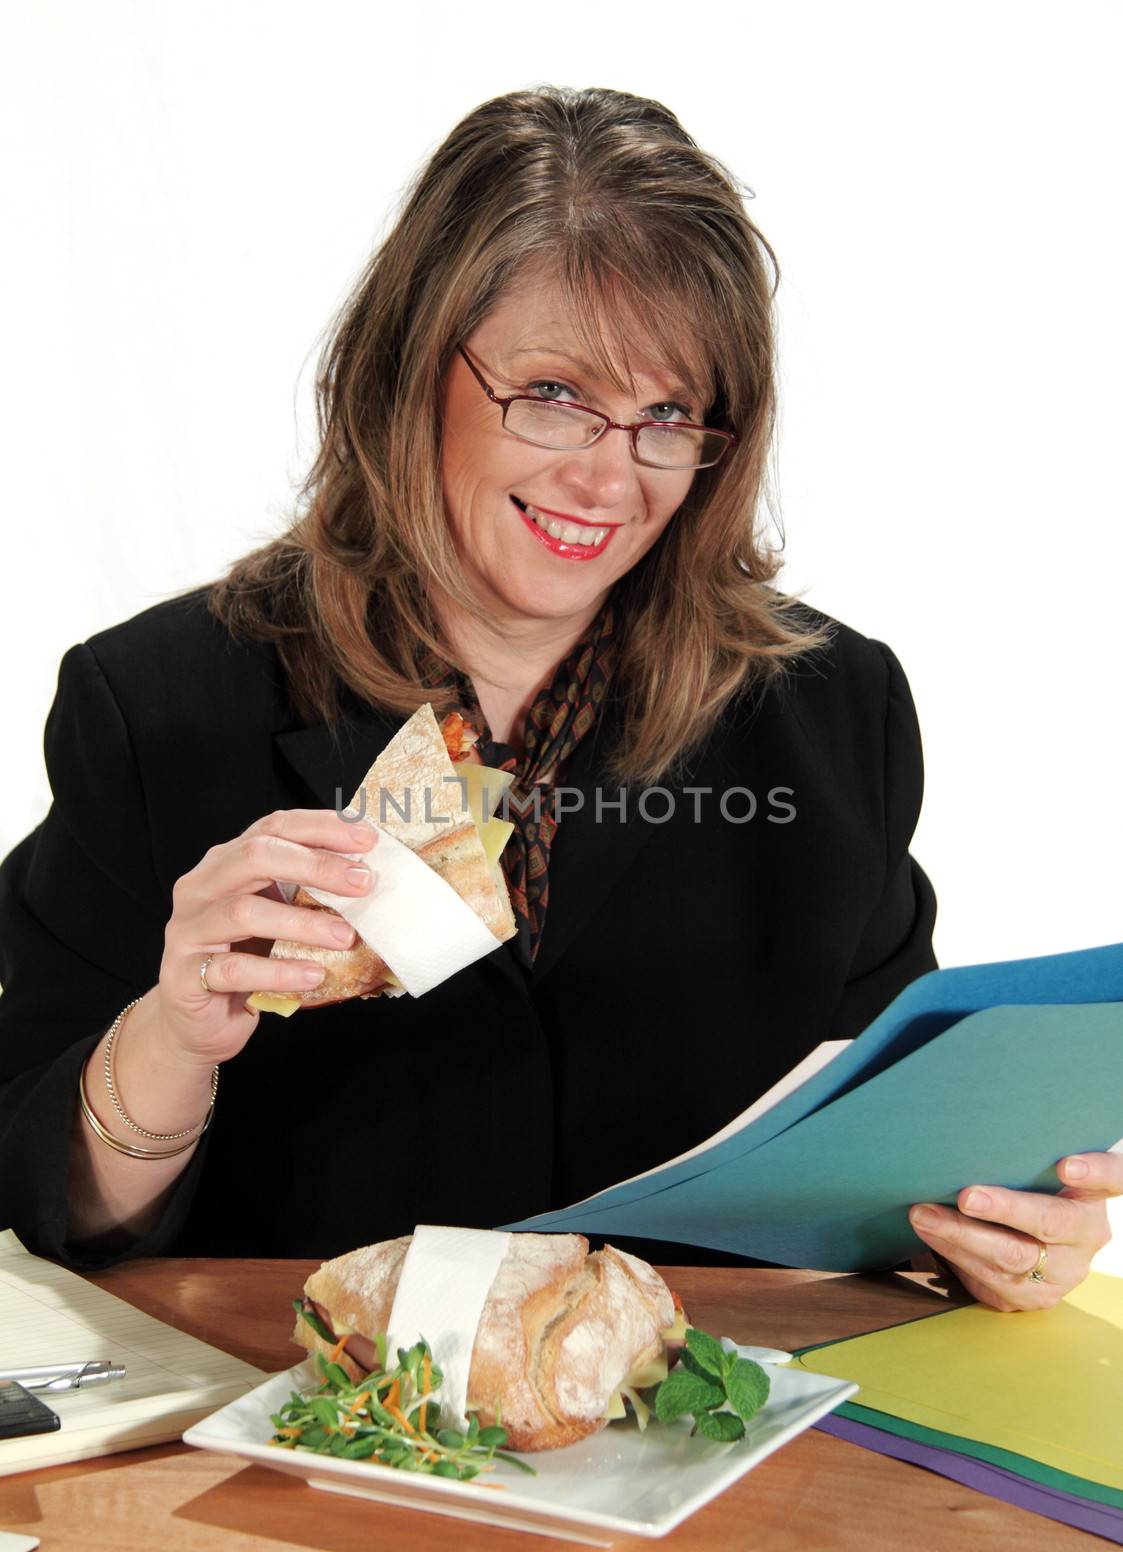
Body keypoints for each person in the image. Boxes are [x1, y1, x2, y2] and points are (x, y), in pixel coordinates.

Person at [0, 86, 1117, 1311]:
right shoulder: (156, 703)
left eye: (667, 415)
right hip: (302, 1425)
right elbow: (49, 1210)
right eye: (552, 393)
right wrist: (170, 1032)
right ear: (410, 369)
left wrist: (986, 1229)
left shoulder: (835, 709)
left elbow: (873, 1168)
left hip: (695, 1439)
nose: (608, 473)